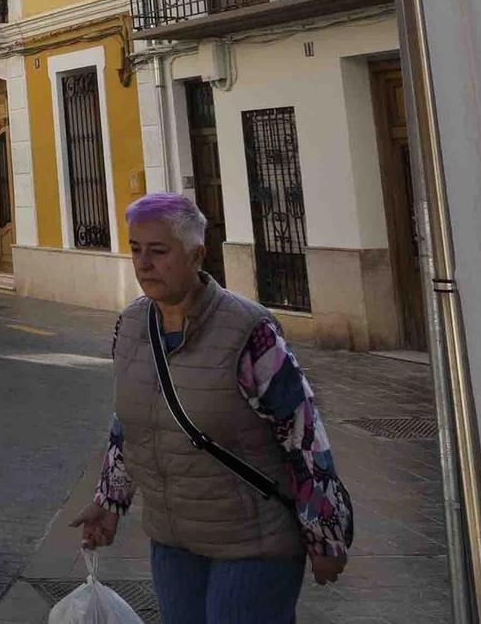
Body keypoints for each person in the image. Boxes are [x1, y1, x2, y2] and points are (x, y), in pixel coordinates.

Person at [70, 192, 352, 623]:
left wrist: (324, 535)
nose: (144, 264)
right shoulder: (130, 326)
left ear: (196, 253)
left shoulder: (248, 331)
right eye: (136, 250)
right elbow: (132, 423)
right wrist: (110, 501)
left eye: (159, 251)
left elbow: (303, 434)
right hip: (174, 541)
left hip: (252, 543)